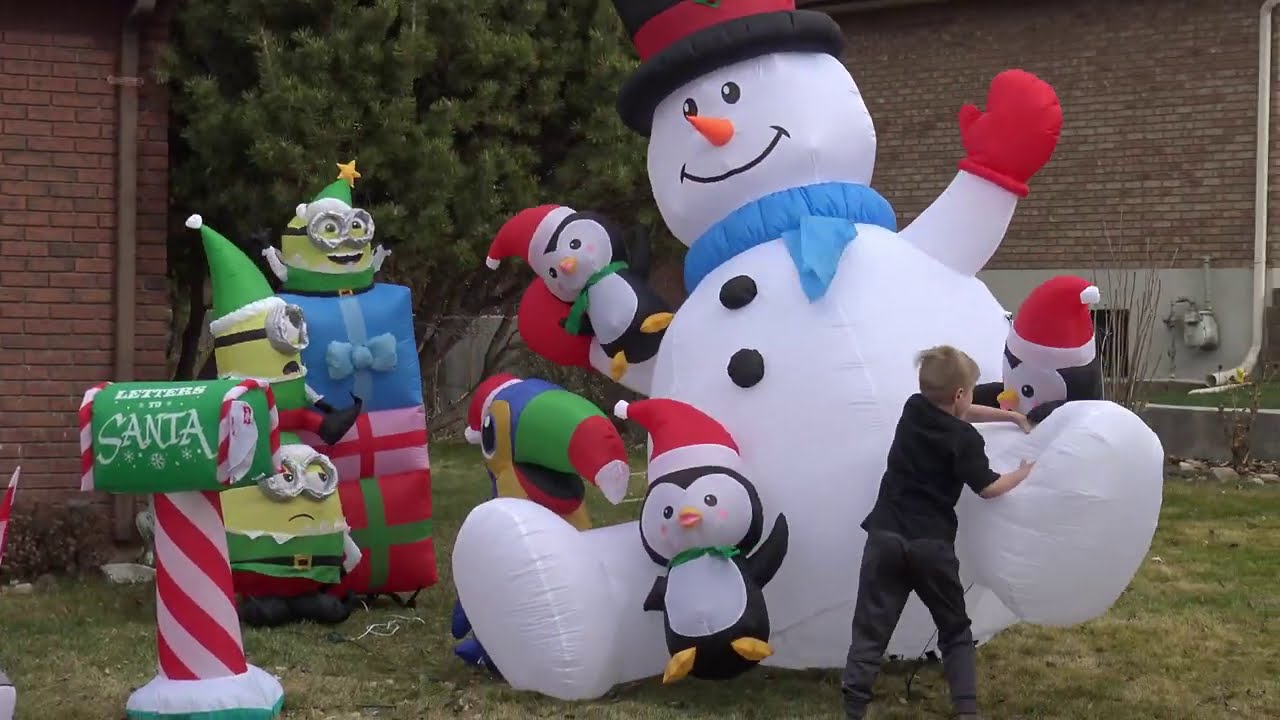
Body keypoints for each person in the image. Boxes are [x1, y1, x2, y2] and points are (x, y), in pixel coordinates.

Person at [841, 345, 1035, 720]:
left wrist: (1007, 418)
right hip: (931, 546)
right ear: (960, 394)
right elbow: (989, 487)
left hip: (886, 536)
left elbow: (959, 413)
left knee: (871, 628)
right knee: (955, 629)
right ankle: (966, 711)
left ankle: (854, 709)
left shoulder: (913, 410)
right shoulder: (964, 441)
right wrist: (1022, 473)